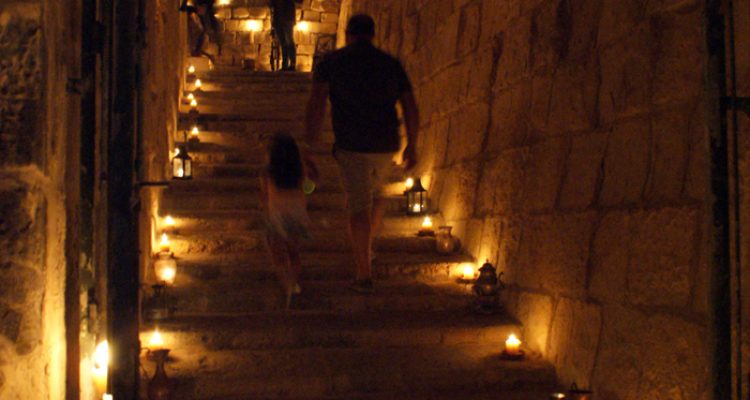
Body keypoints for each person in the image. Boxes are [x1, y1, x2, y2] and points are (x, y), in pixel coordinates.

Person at [304, 14, 420, 294]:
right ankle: (365, 248)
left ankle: (363, 274)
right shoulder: (390, 63)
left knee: (359, 206)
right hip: (386, 144)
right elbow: (409, 105)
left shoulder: (331, 62)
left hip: (352, 144)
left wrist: (310, 147)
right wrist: (412, 144)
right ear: (373, 34)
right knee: (376, 197)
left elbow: (317, 103)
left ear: (347, 34)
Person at [260, 133, 314, 307]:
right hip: (297, 216)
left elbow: (265, 196)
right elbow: (309, 188)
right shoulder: (300, 170)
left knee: (277, 254)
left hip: (277, 216)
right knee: (294, 253)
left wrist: (266, 210)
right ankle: (294, 282)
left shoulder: (268, 173)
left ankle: (286, 283)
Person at [270, 0, 297, 71]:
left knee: (289, 41)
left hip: (287, 19)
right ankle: (285, 64)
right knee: (283, 43)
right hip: (278, 19)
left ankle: (292, 64)